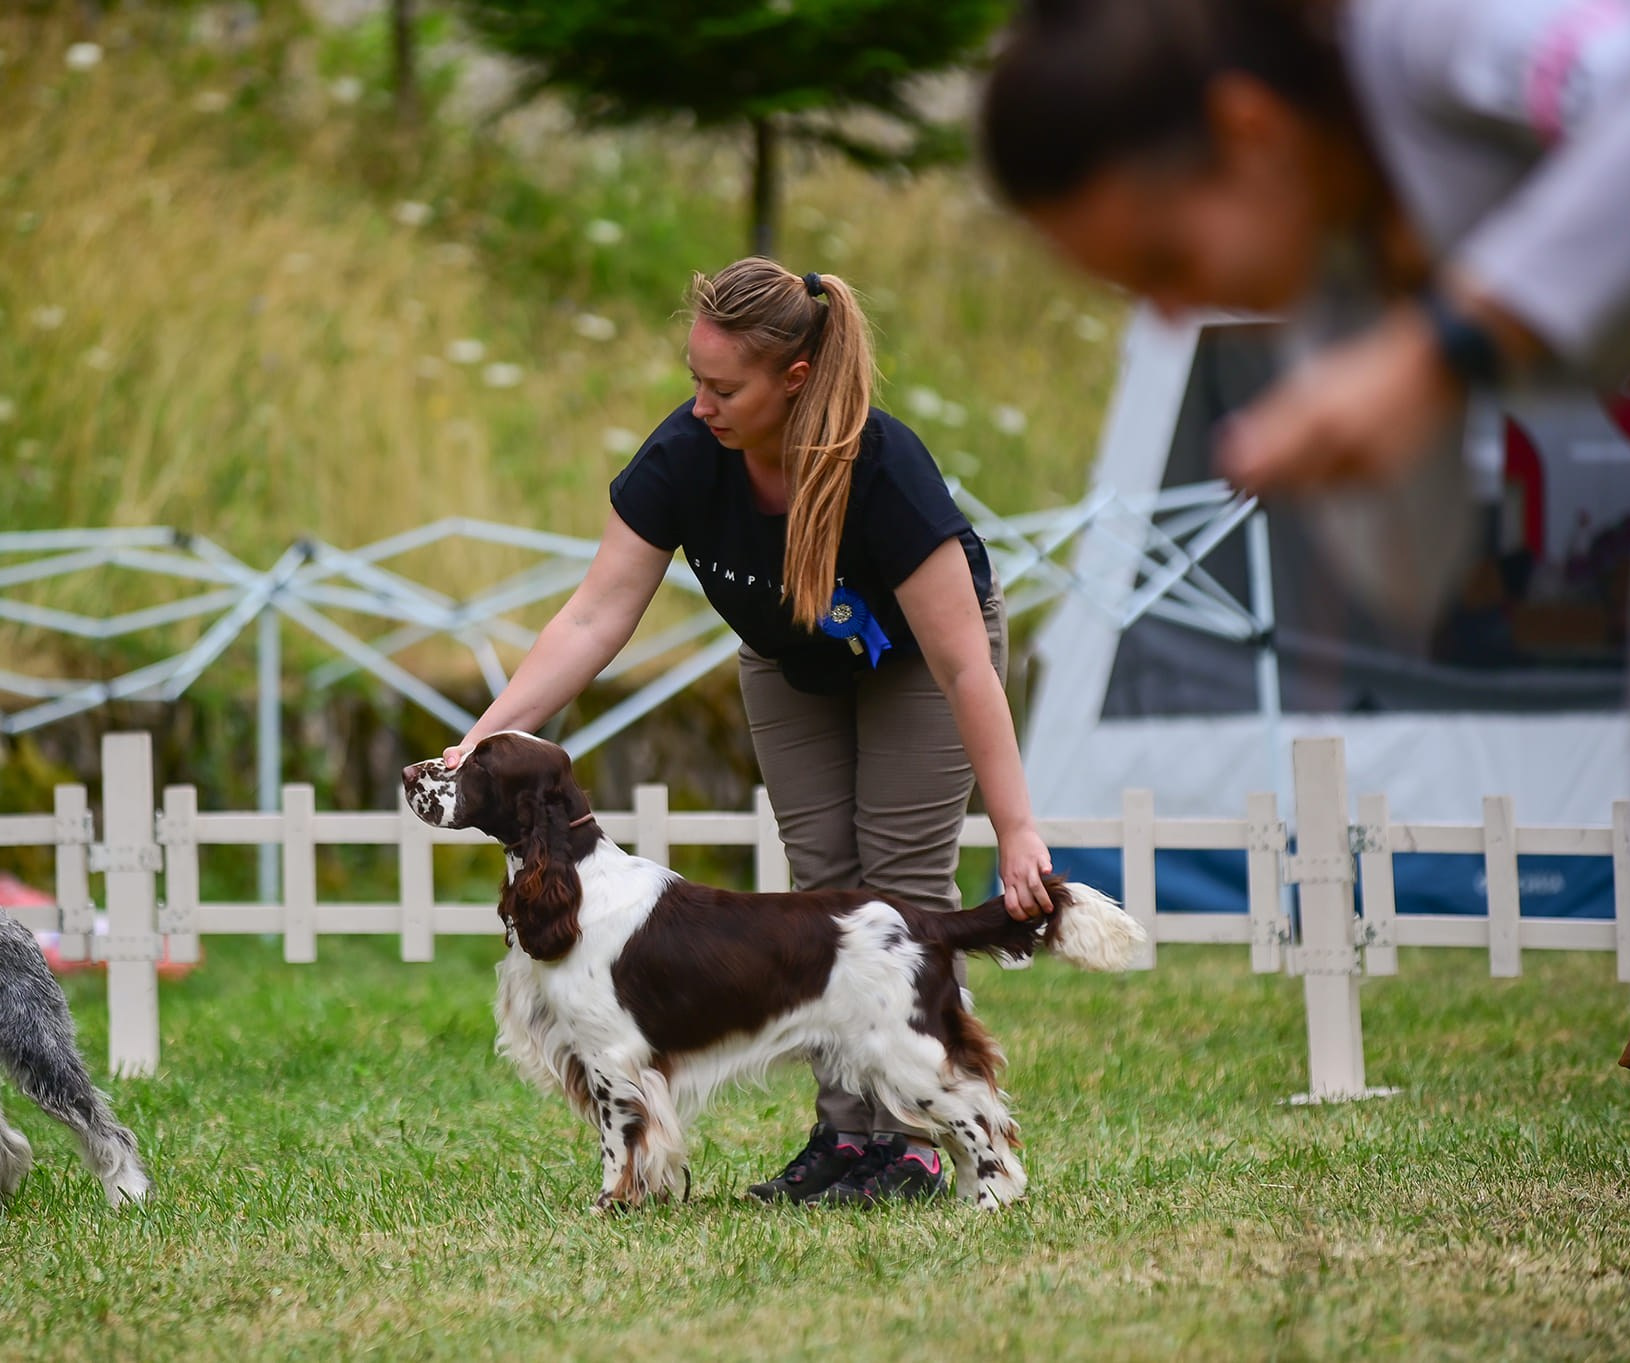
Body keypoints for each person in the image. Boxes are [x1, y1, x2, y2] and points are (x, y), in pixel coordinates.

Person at [445, 258, 1055, 1207]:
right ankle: (850, 1143)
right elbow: (593, 619)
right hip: (787, 661)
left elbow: (965, 665)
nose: (700, 405)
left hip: (919, 663)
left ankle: (913, 1147)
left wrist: (1016, 829)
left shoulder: (882, 469)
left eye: (723, 387)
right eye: (694, 379)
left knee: (892, 891)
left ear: (796, 380)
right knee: (821, 899)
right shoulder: (686, 453)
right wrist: (481, 743)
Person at [978, 0, 1630, 500]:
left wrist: (1439, 349)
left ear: (1249, 130)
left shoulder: (1433, 27)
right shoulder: (1347, 243)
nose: (1169, 314)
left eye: (1165, 264)